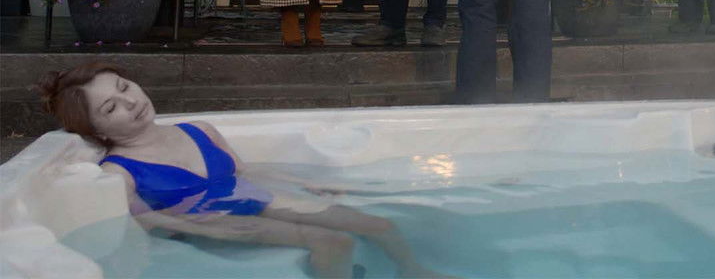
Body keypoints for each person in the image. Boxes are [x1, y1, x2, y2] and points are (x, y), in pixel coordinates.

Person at [37, 62, 431, 279]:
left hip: (250, 197)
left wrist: (304, 183)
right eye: (110, 108)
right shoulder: (117, 172)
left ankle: (416, 272)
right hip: (214, 220)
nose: (130, 102)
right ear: (98, 131)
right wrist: (207, 229)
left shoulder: (199, 130)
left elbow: (244, 171)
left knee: (378, 224)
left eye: (124, 87)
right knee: (335, 242)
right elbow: (142, 220)